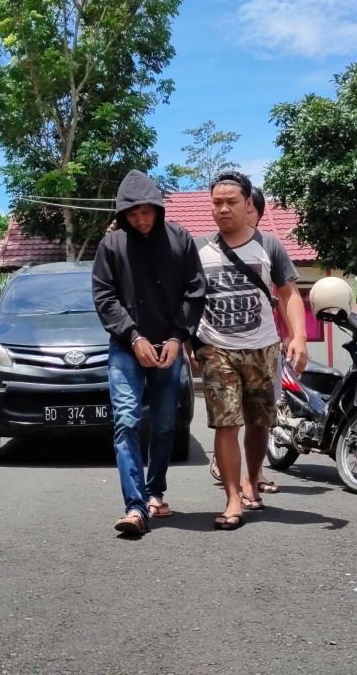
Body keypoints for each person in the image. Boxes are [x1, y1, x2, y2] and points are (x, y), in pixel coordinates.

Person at [92, 170, 206, 535]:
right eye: (133, 213)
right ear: (123, 212)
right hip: (127, 348)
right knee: (126, 420)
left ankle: (155, 490)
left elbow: (195, 291)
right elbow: (104, 297)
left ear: (158, 209)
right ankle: (134, 507)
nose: (140, 219)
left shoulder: (181, 240)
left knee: (163, 424)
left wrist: (177, 338)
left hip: (168, 348)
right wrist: (134, 337)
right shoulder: (111, 246)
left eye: (147, 212)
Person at [193, 172, 307, 530]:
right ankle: (231, 499)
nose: (223, 209)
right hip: (215, 347)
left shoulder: (269, 245)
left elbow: (288, 294)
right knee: (226, 423)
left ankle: (252, 478)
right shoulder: (196, 248)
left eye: (232, 202)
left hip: (263, 347)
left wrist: (298, 337)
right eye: (216, 202)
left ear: (248, 205)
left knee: (259, 422)